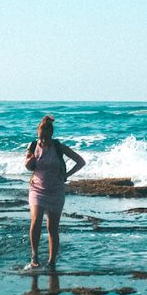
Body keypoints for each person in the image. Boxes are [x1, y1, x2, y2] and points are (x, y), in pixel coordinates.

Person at [24, 114, 85, 269]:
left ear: (50, 135)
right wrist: (32, 156)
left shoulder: (59, 147)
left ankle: (52, 261)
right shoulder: (33, 146)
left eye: (44, 136)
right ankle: (34, 256)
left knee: (53, 228)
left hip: (56, 191)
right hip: (37, 189)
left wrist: (66, 175)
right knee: (36, 221)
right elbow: (27, 166)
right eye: (40, 136)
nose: (42, 139)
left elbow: (80, 161)